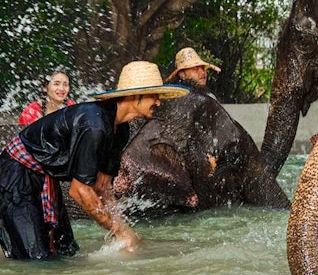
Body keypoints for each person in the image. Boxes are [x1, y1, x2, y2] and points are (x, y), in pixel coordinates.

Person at [0, 61, 189, 259]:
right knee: (35, 259)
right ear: (135, 95)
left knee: (67, 251)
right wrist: (118, 230)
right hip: (15, 173)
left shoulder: (121, 129)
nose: (158, 102)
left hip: (43, 175)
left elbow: (103, 187)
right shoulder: (94, 124)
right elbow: (79, 191)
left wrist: (125, 228)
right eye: (154, 95)